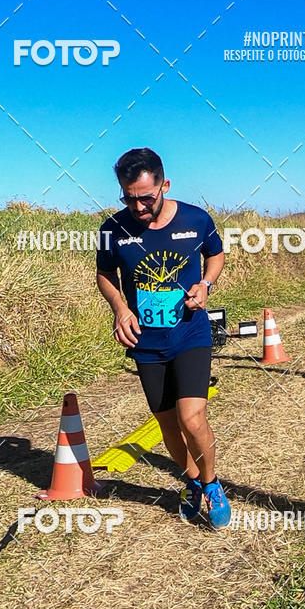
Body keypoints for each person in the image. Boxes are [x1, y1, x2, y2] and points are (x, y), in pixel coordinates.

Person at [95, 147, 231, 529]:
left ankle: (212, 484)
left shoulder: (196, 218)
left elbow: (216, 256)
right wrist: (120, 308)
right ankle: (190, 482)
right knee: (168, 424)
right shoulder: (112, 230)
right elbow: (105, 275)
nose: (137, 207)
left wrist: (205, 284)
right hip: (146, 342)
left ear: (164, 185)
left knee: (192, 417)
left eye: (146, 197)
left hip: (190, 332)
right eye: (128, 198)